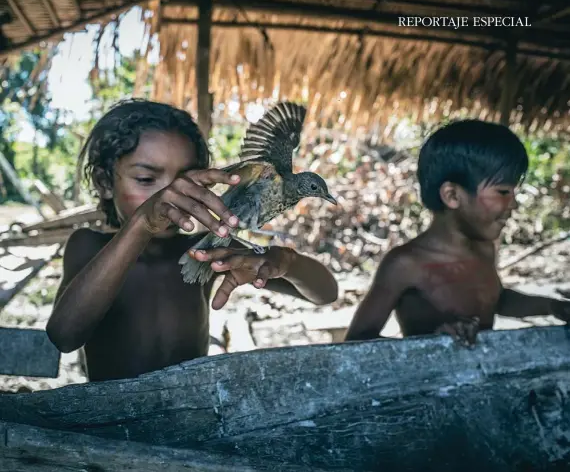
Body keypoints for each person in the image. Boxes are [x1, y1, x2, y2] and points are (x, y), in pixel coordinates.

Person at [47, 99, 338, 381]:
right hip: (109, 424)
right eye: (147, 180)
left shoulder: (207, 250)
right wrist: (141, 224)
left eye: (186, 180)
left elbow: (326, 293)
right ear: (104, 182)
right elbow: (64, 336)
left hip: (192, 414)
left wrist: (285, 261)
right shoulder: (88, 245)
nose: (170, 194)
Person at [344, 119, 570, 345]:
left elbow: (495, 300)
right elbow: (357, 340)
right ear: (452, 196)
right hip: (431, 379)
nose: (513, 204)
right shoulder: (405, 264)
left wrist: (551, 306)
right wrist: (433, 342)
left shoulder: (484, 249)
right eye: (503, 192)